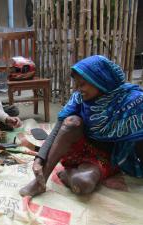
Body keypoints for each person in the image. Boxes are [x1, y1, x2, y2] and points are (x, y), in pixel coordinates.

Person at [20, 55, 143, 196]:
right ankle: (40, 182)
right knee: (71, 122)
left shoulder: (133, 101)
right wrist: (40, 159)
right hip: (78, 149)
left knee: (82, 184)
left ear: (99, 81)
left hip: (106, 157)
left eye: (82, 84)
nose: (77, 89)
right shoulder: (78, 99)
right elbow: (57, 129)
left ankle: (69, 174)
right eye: (76, 83)